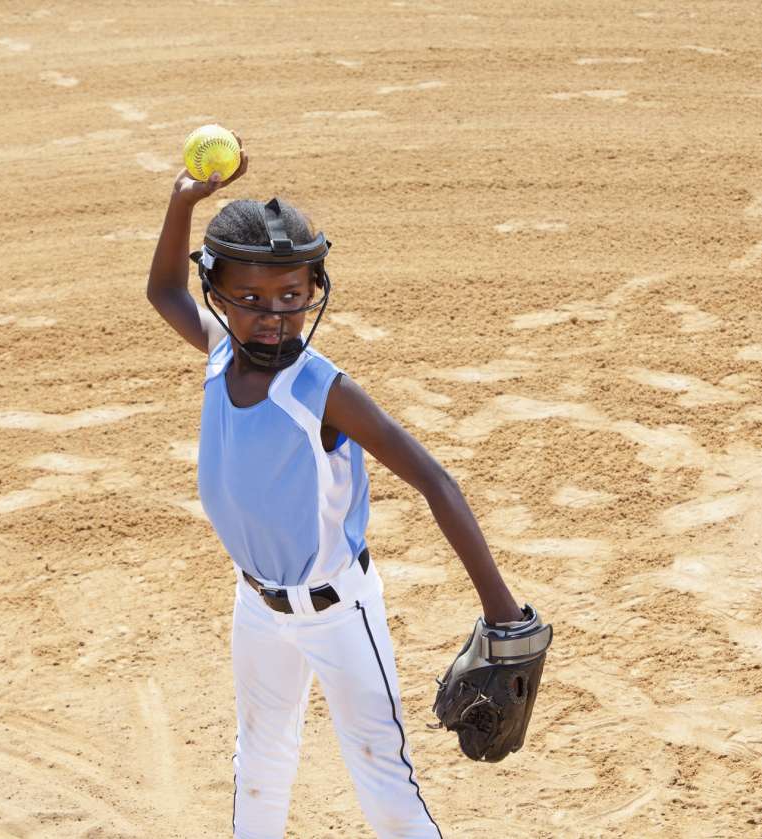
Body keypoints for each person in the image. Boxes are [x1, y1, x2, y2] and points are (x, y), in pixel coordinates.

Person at [145, 132, 525, 838]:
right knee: (259, 757)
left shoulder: (321, 388)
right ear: (219, 296)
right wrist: (181, 203)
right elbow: (162, 288)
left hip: (338, 612)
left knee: (381, 771)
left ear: (314, 290)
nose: (273, 312)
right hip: (256, 601)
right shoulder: (220, 351)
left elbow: (432, 478)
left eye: (291, 293)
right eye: (250, 296)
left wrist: (501, 607)